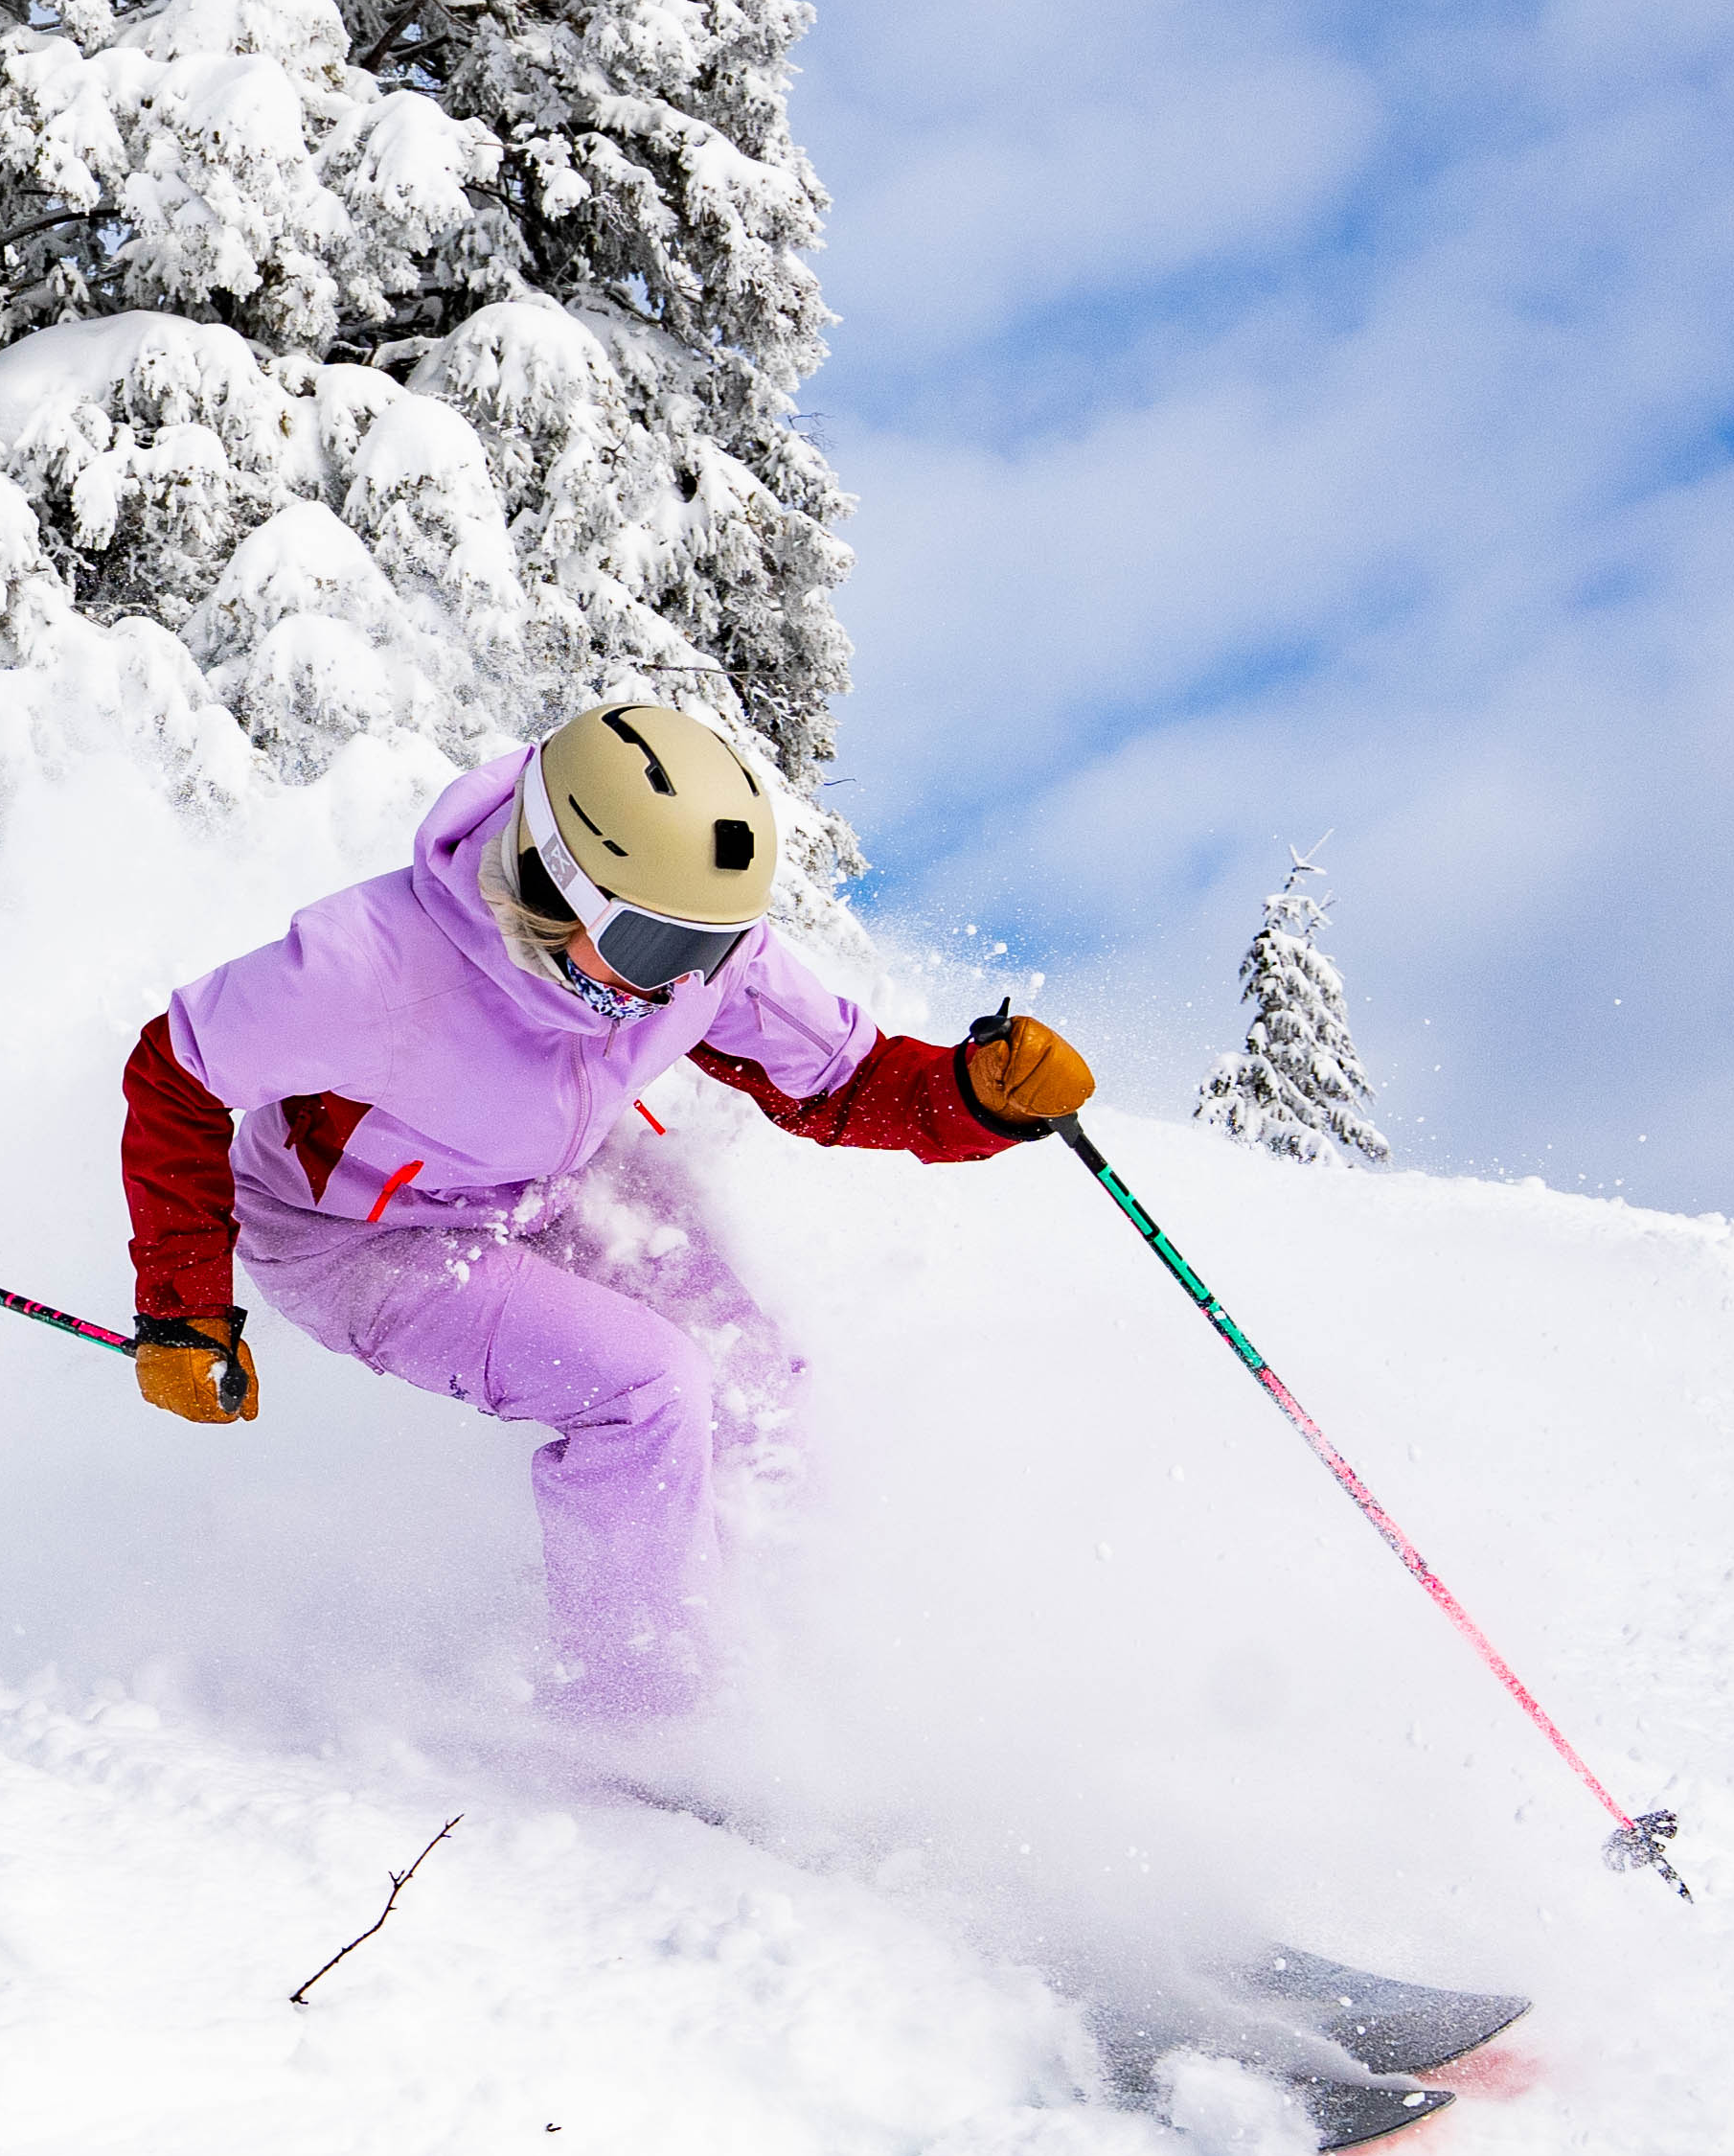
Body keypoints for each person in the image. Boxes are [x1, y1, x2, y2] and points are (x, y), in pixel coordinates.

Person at [117, 699, 1091, 1706]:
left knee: (752, 1367)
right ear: (554, 882)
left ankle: (778, 1644)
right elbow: (175, 1073)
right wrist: (184, 1305)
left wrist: (975, 1097)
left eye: (711, 949)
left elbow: (837, 1078)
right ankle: (643, 1710)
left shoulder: (687, 954)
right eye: (658, 950)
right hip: (358, 1235)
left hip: (543, 1177)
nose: (684, 987)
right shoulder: (368, 964)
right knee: (648, 1388)